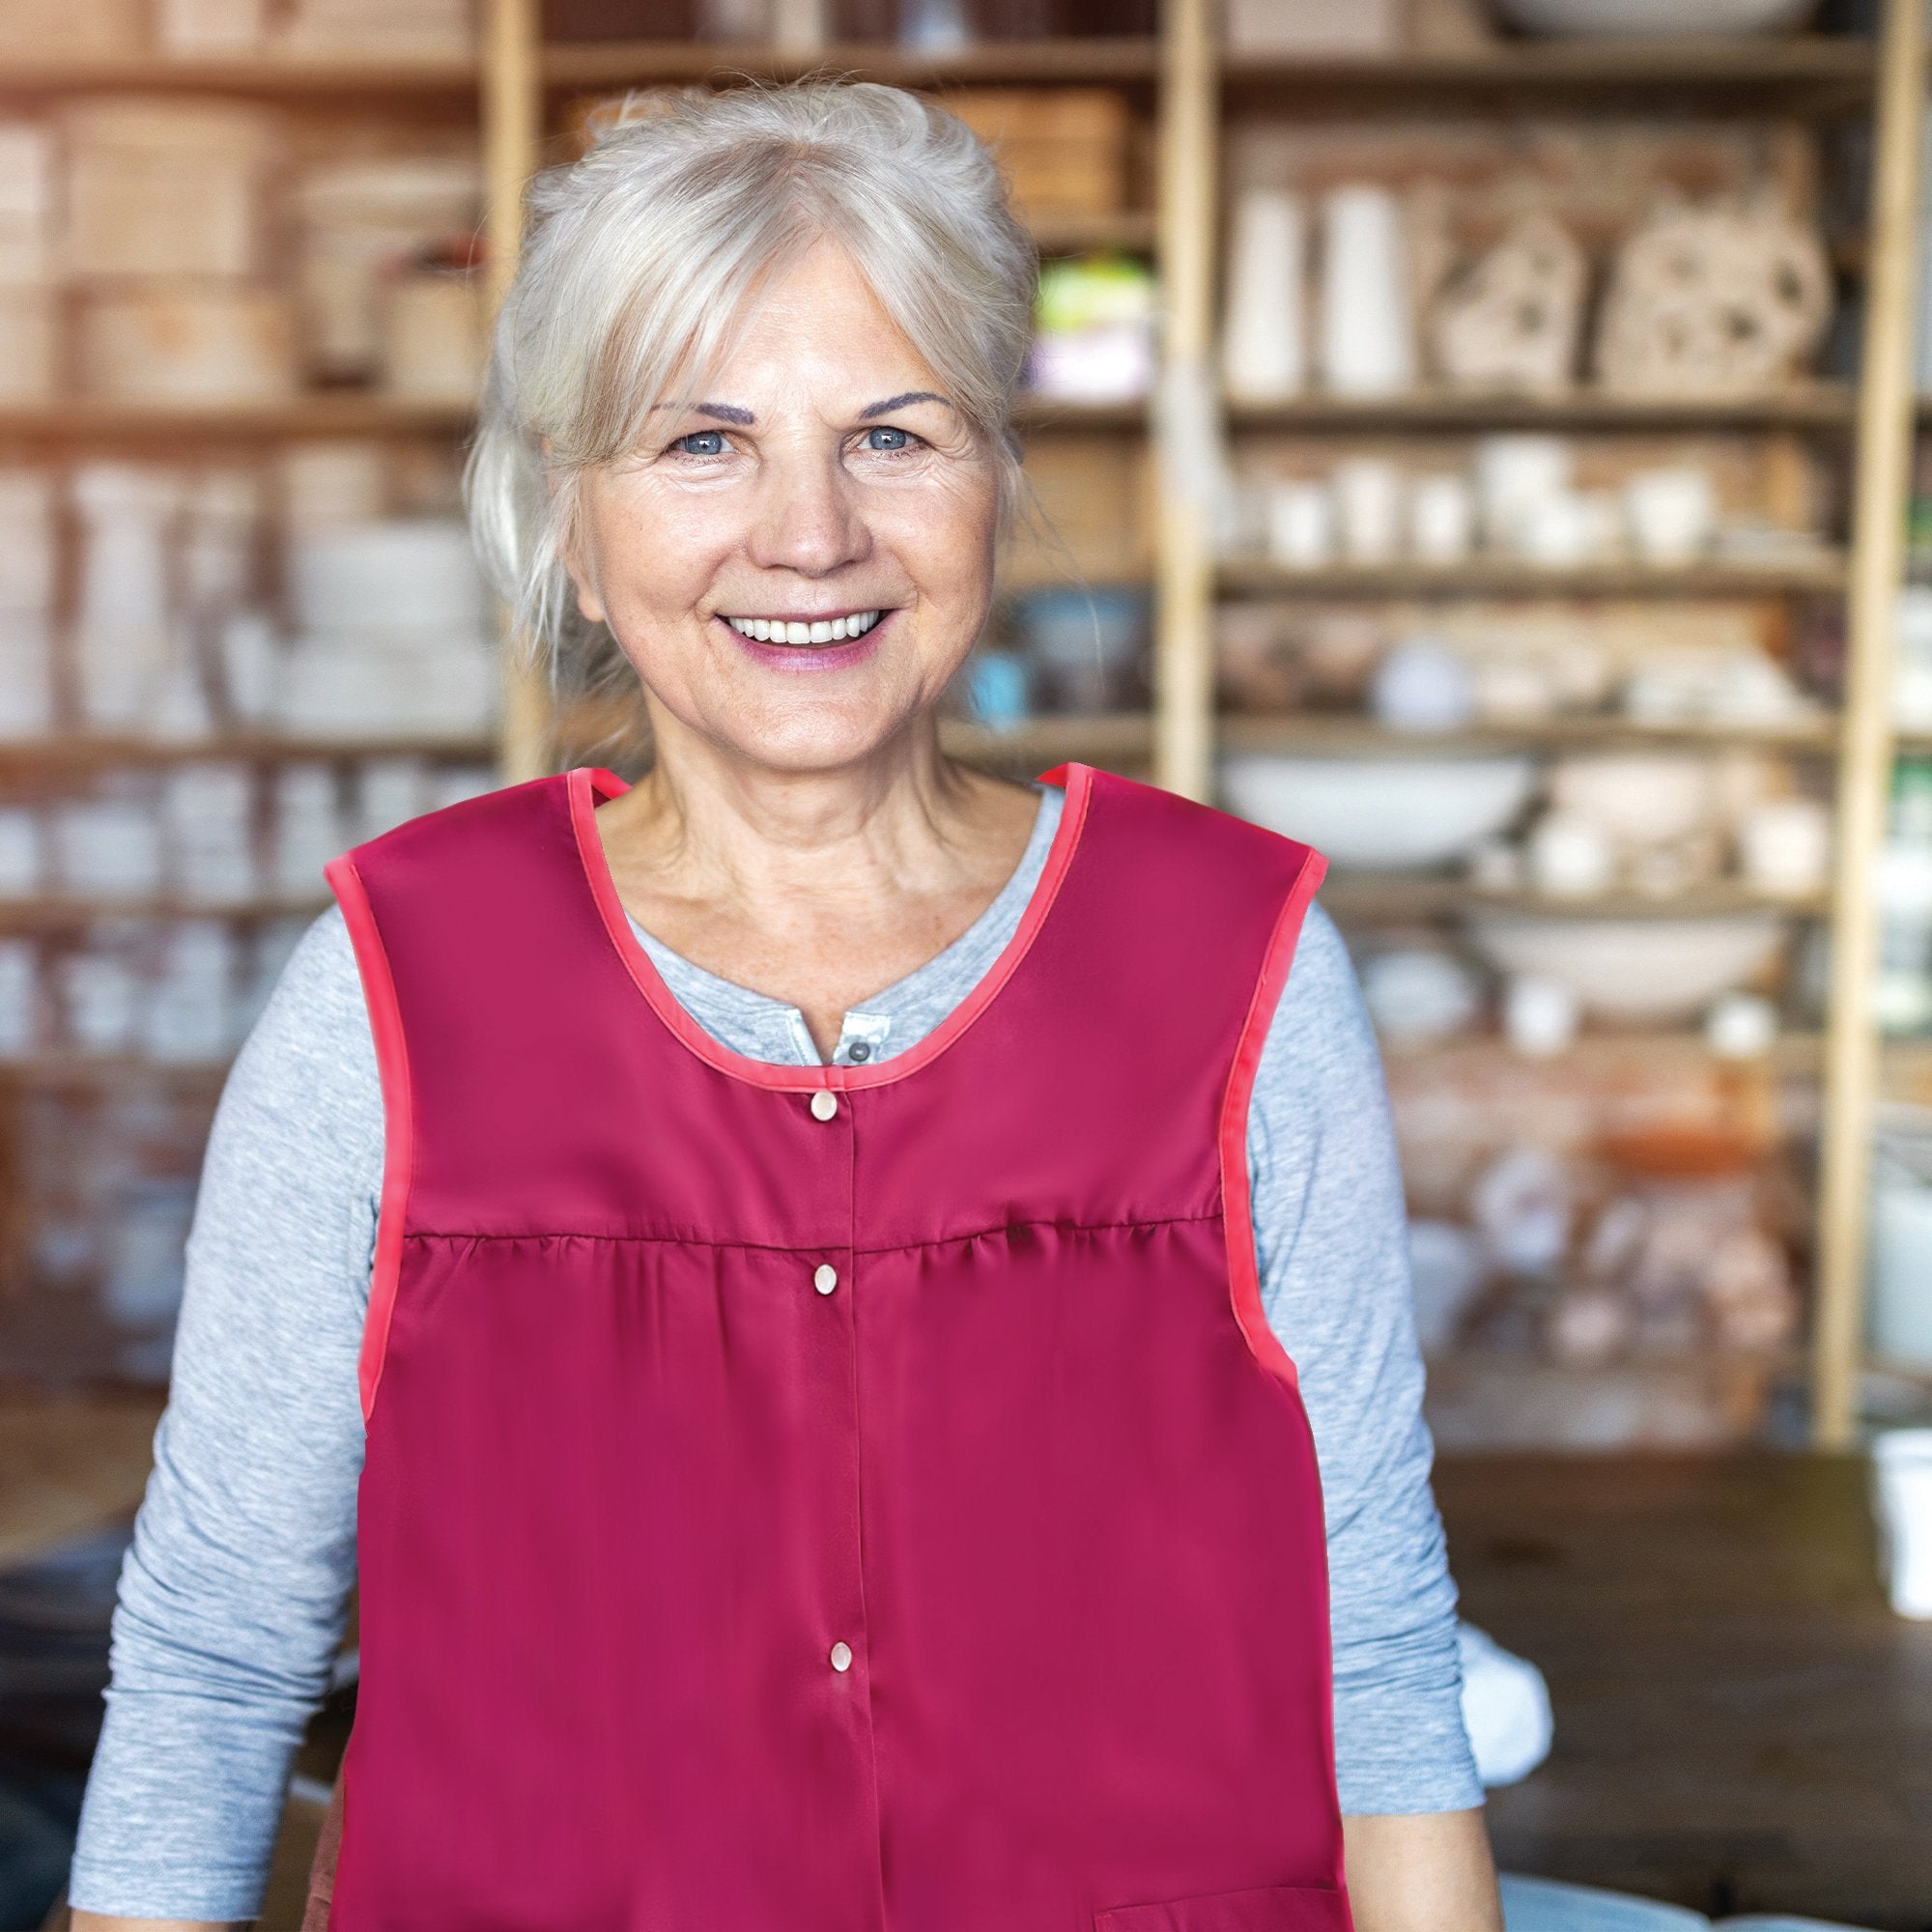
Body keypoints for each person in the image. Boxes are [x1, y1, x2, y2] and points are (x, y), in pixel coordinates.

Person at [68, 80, 1503, 1932]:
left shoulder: (1239, 963)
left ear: (996, 479)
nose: (808, 534)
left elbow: (1374, 1660)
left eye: (894, 436)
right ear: (574, 523)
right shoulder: (389, 990)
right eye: (703, 444)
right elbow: (215, 1659)